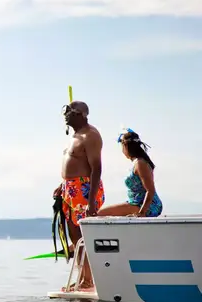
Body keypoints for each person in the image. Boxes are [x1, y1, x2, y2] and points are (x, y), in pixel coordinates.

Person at [52, 100, 105, 292]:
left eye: (68, 110)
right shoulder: (74, 136)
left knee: (85, 236)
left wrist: (91, 202)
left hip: (85, 189)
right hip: (70, 189)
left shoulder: (90, 135)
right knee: (75, 237)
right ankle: (83, 277)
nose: (65, 114)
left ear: (81, 114)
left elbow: (96, 169)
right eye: (64, 110)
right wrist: (63, 186)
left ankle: (89, 280)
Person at [97, 129, 163, 217]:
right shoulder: (137, 162)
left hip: (147, 206)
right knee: (102, 213)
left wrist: (141, 213)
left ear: (125, 146)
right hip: (136, 203)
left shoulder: (140, 163)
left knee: (101, 214)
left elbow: (150, 190)